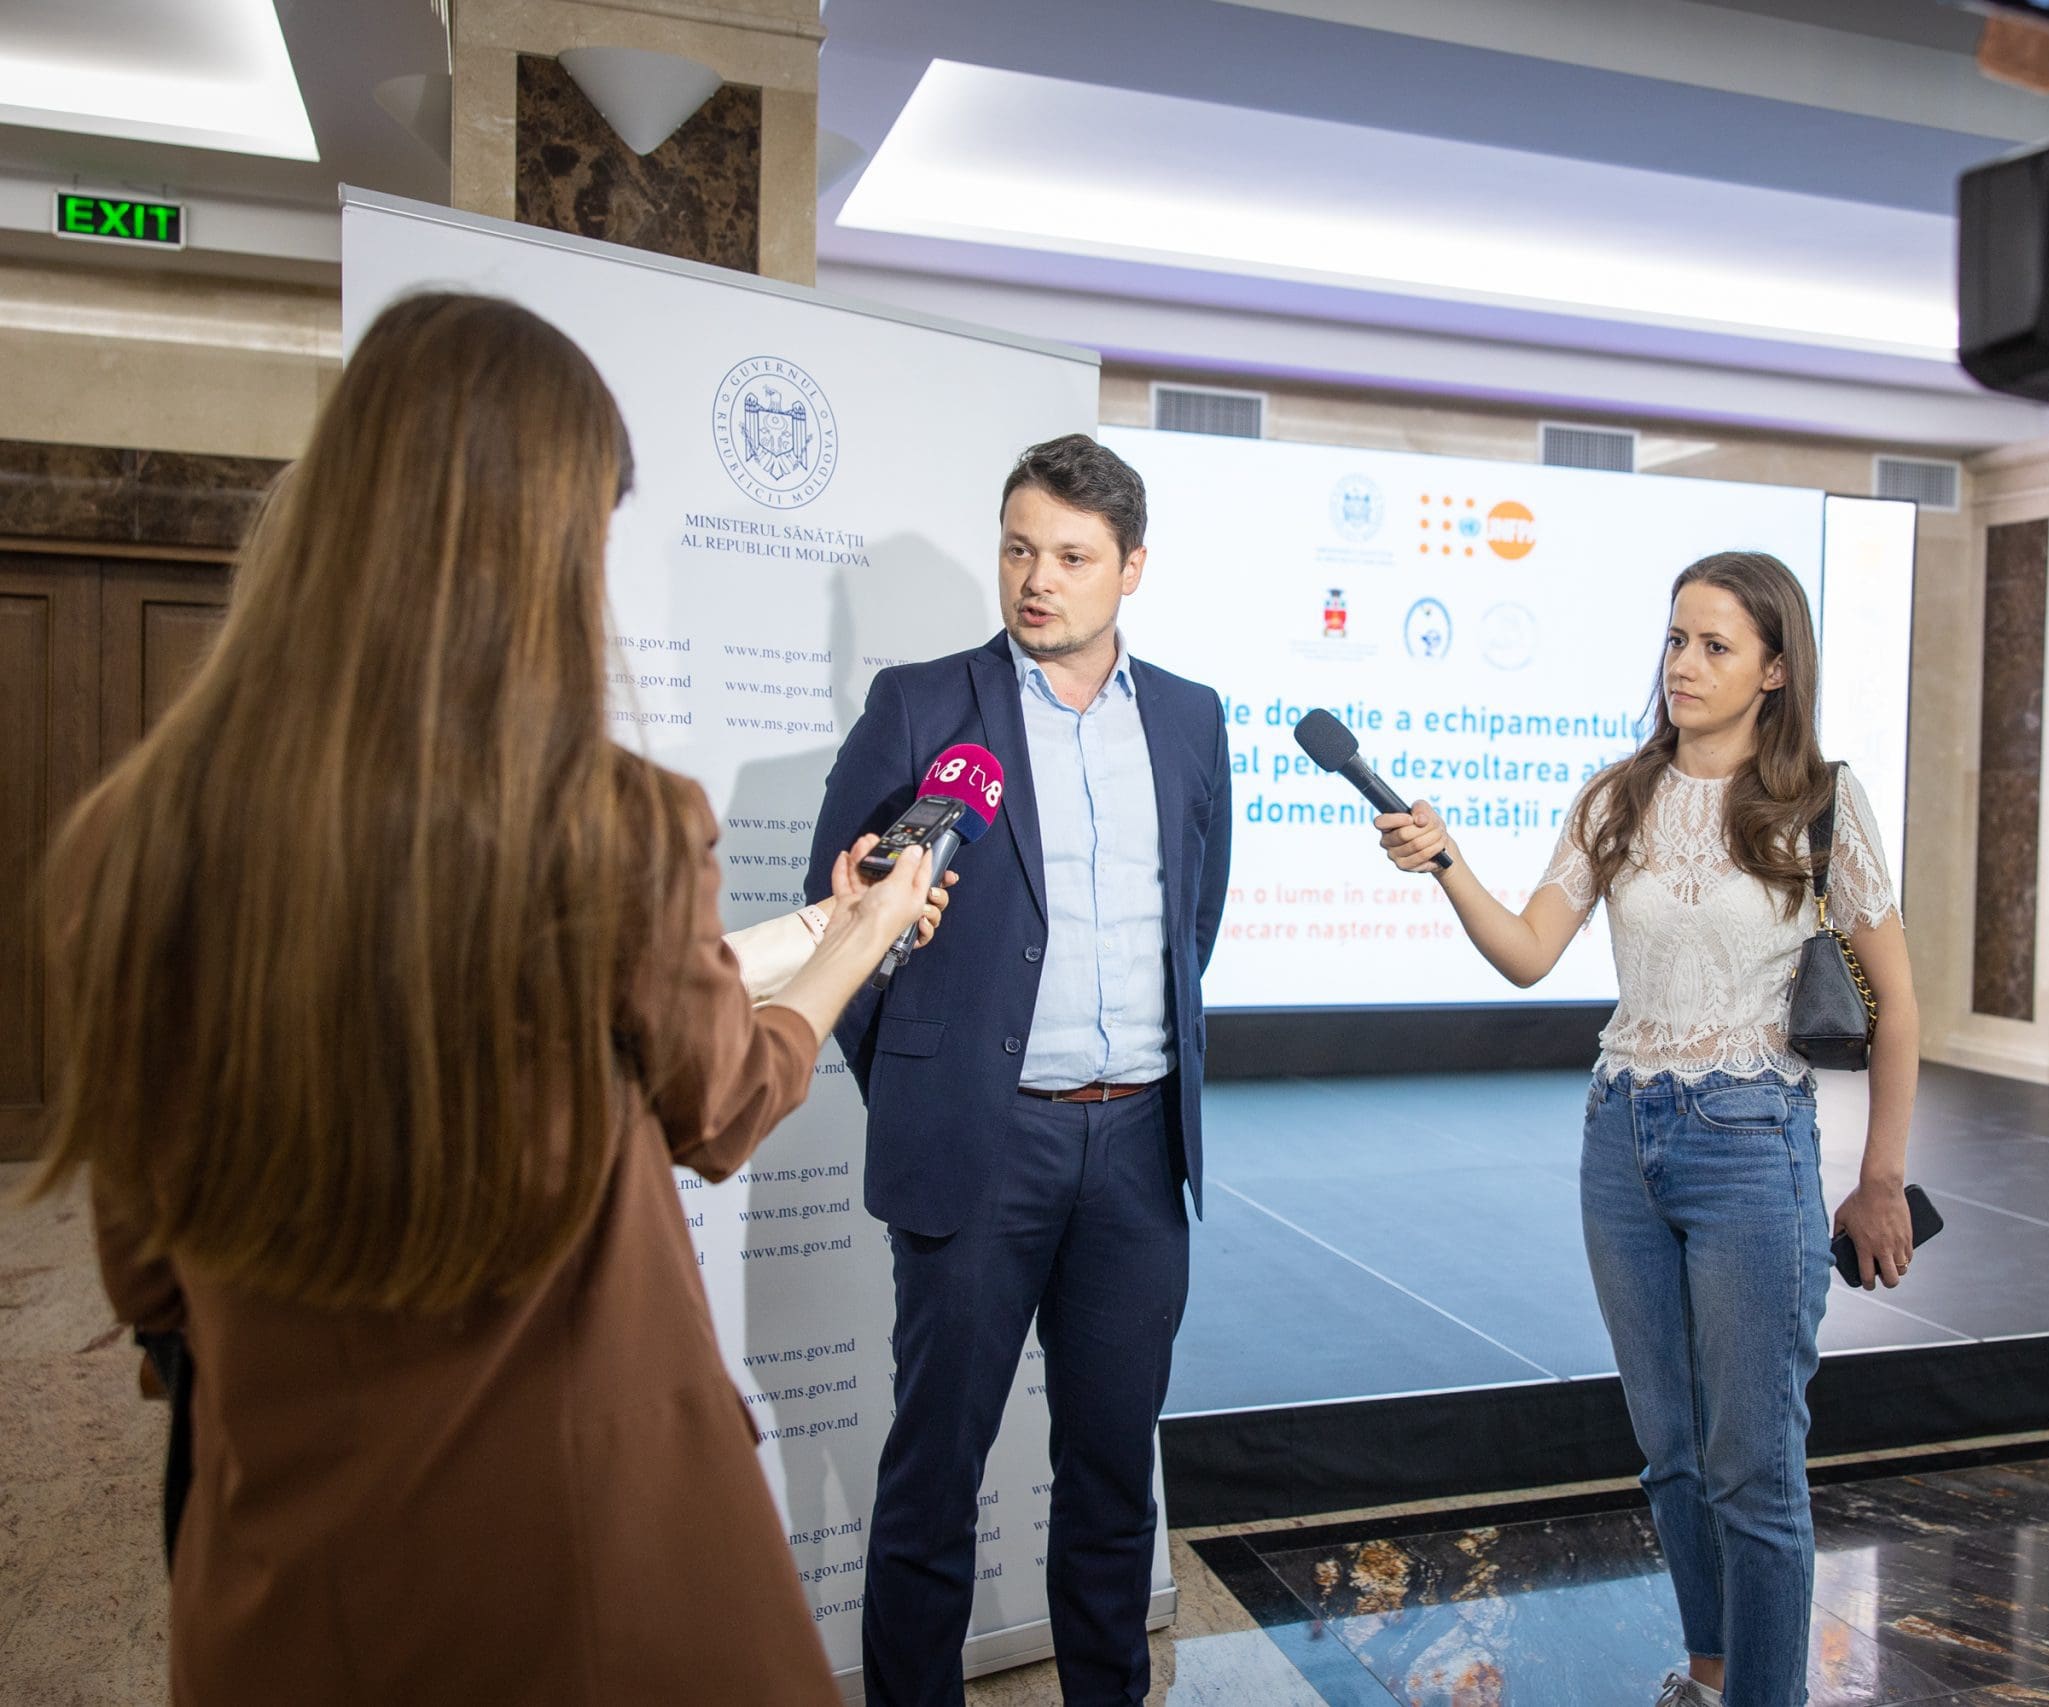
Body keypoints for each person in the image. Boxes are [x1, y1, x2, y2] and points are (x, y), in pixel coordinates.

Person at [26, 293, 943, 1706]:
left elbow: (146, 1281)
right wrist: (861, 939)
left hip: (285, 1586)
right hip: (587, 1576)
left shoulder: (123, 843)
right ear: (545, 541)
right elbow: (720, 1104)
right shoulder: (612, 826)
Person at [1373, 550, 1919, 1707]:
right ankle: (1710, 1674)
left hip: (1751, 1138)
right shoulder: (1614, 796)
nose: (1684, 664)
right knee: (1671, 1451)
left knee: (1752, 1467)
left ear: (1774, 670)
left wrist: (1880, 1180)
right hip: (1620, 1137)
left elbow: (1901, 1004)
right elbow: (1528, 951)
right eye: (1676, 639)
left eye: (1716, 646)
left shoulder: (1820, 801)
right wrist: (1447, 862)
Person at [804, 433, 1232, 1707]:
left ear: (1131, 568)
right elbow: (838, 921)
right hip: (981, 1149)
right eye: (1018, 549)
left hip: (1138, 1152)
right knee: (934, 1481)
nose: (1037, 580)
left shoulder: (1191, 718)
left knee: (1111, 1479)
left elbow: (1192, 919)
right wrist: (925, 1080)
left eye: (1072, 557)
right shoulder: (921, 706)